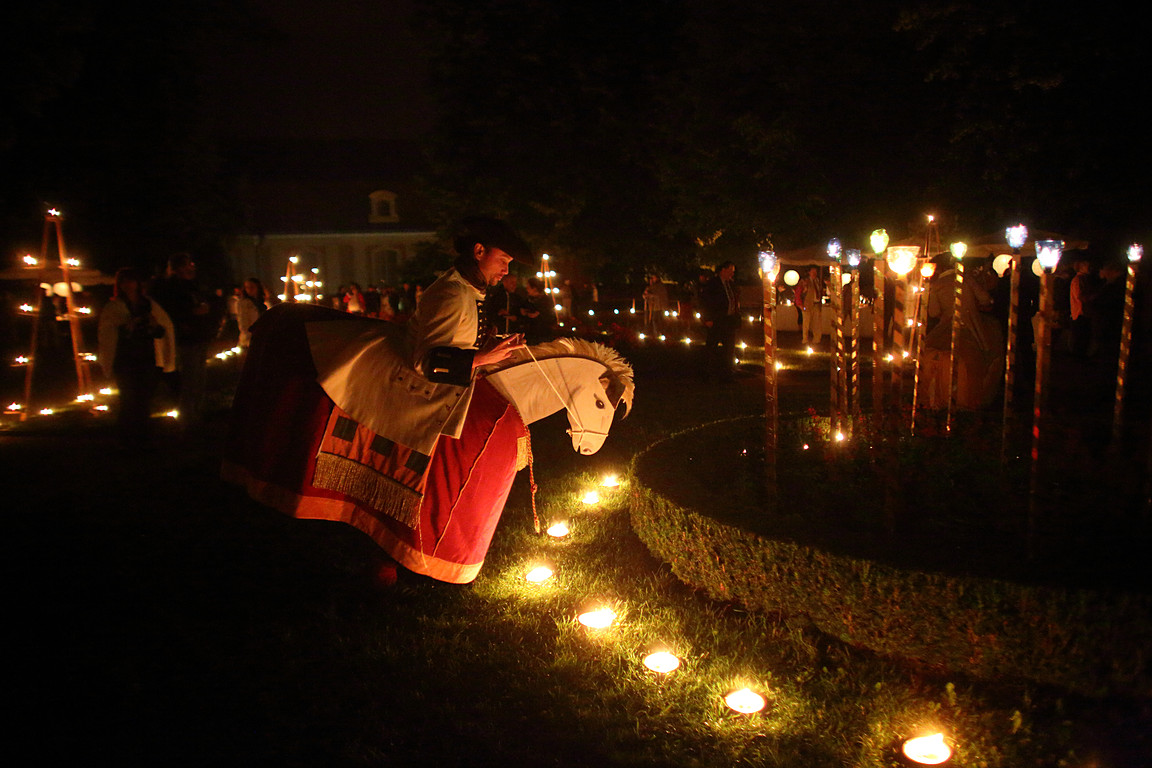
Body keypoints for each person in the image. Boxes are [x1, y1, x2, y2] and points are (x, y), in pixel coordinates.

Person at [98, 268, 175, 447]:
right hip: (125, 359)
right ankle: (126, 439)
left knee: (144, 400)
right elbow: (107, 333)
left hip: (147, 358)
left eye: (131, 281)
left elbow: (162, 330)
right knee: (128, 400)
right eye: (124, 281)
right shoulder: (114, 307)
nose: (128, 285)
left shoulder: (149, 305)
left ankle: (143, 438)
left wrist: (152, 325)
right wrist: (127, 328)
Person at [151, 253, 216, 428]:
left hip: (200, 336)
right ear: (178, 268)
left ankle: (196, 413)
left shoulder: (193, 285)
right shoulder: (171, 288)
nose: (191, 267)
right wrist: (191, 313)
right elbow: (173, 311)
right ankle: (188, 417)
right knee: (190, 379)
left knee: (199, 379)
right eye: (187, 265)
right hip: (187, 339)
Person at [701, 260, 740, 381]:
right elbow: (705, 302)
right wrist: (707, 318)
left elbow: (734, 300)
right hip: (716, 320)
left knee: (729, 348)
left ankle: (728, 373)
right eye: (730, 271)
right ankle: (708, 373)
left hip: (729, 320)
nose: (732, 274)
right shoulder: (713, 284)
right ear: (723, 270)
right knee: (712, 346)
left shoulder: (731, 284)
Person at [520, 276, 559, 344]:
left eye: (528, 287)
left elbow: (551, 317)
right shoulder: (527, 300)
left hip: (543, 334)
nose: (526, 289)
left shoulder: (546, 301)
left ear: (534, 289)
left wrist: (539, 314)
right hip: (529, 334)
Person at [237, 277, 268, 349]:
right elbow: (242, 321)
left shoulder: (264, 303)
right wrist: (248, 335)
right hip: (250, 337)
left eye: (252, 287)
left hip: (263, 335)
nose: (249, 290)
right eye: (247, 287)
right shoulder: (243, 303)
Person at [800, 266, 825, 346]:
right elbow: (800, 292)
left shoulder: (818, 281)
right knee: (806, 323)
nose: (814, 273)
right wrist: (801, 304)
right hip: (808, 304)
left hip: (816, 304)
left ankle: (816, 339)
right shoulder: (806, 281)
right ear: (809, 272)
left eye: (815, 272)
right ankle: (805, 339)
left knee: (816, 323)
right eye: (813, 272)